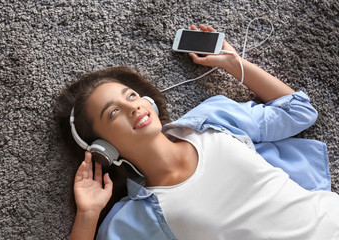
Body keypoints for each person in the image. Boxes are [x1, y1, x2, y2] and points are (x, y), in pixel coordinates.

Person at [55, 25, 339, 240]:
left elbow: (299, 111)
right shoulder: (135, 217)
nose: (133, 107)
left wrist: (231, 62)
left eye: (130, 96)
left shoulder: (212, 119)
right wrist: (88, 215)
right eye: (113, 113)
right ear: (102, 146)